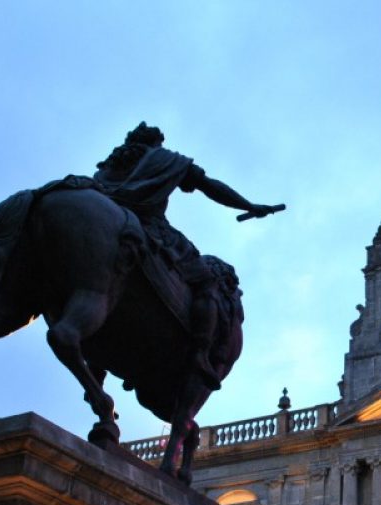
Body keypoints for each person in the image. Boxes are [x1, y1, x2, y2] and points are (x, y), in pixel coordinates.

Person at [93, 123, 278, 388]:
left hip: (106, 222)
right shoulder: (164, 159)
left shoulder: (112, 162)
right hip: (149, 226)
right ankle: (200, 353)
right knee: (207, 281)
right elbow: (209, 186)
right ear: (155, 143)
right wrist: (249, 205)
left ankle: (97, 364)